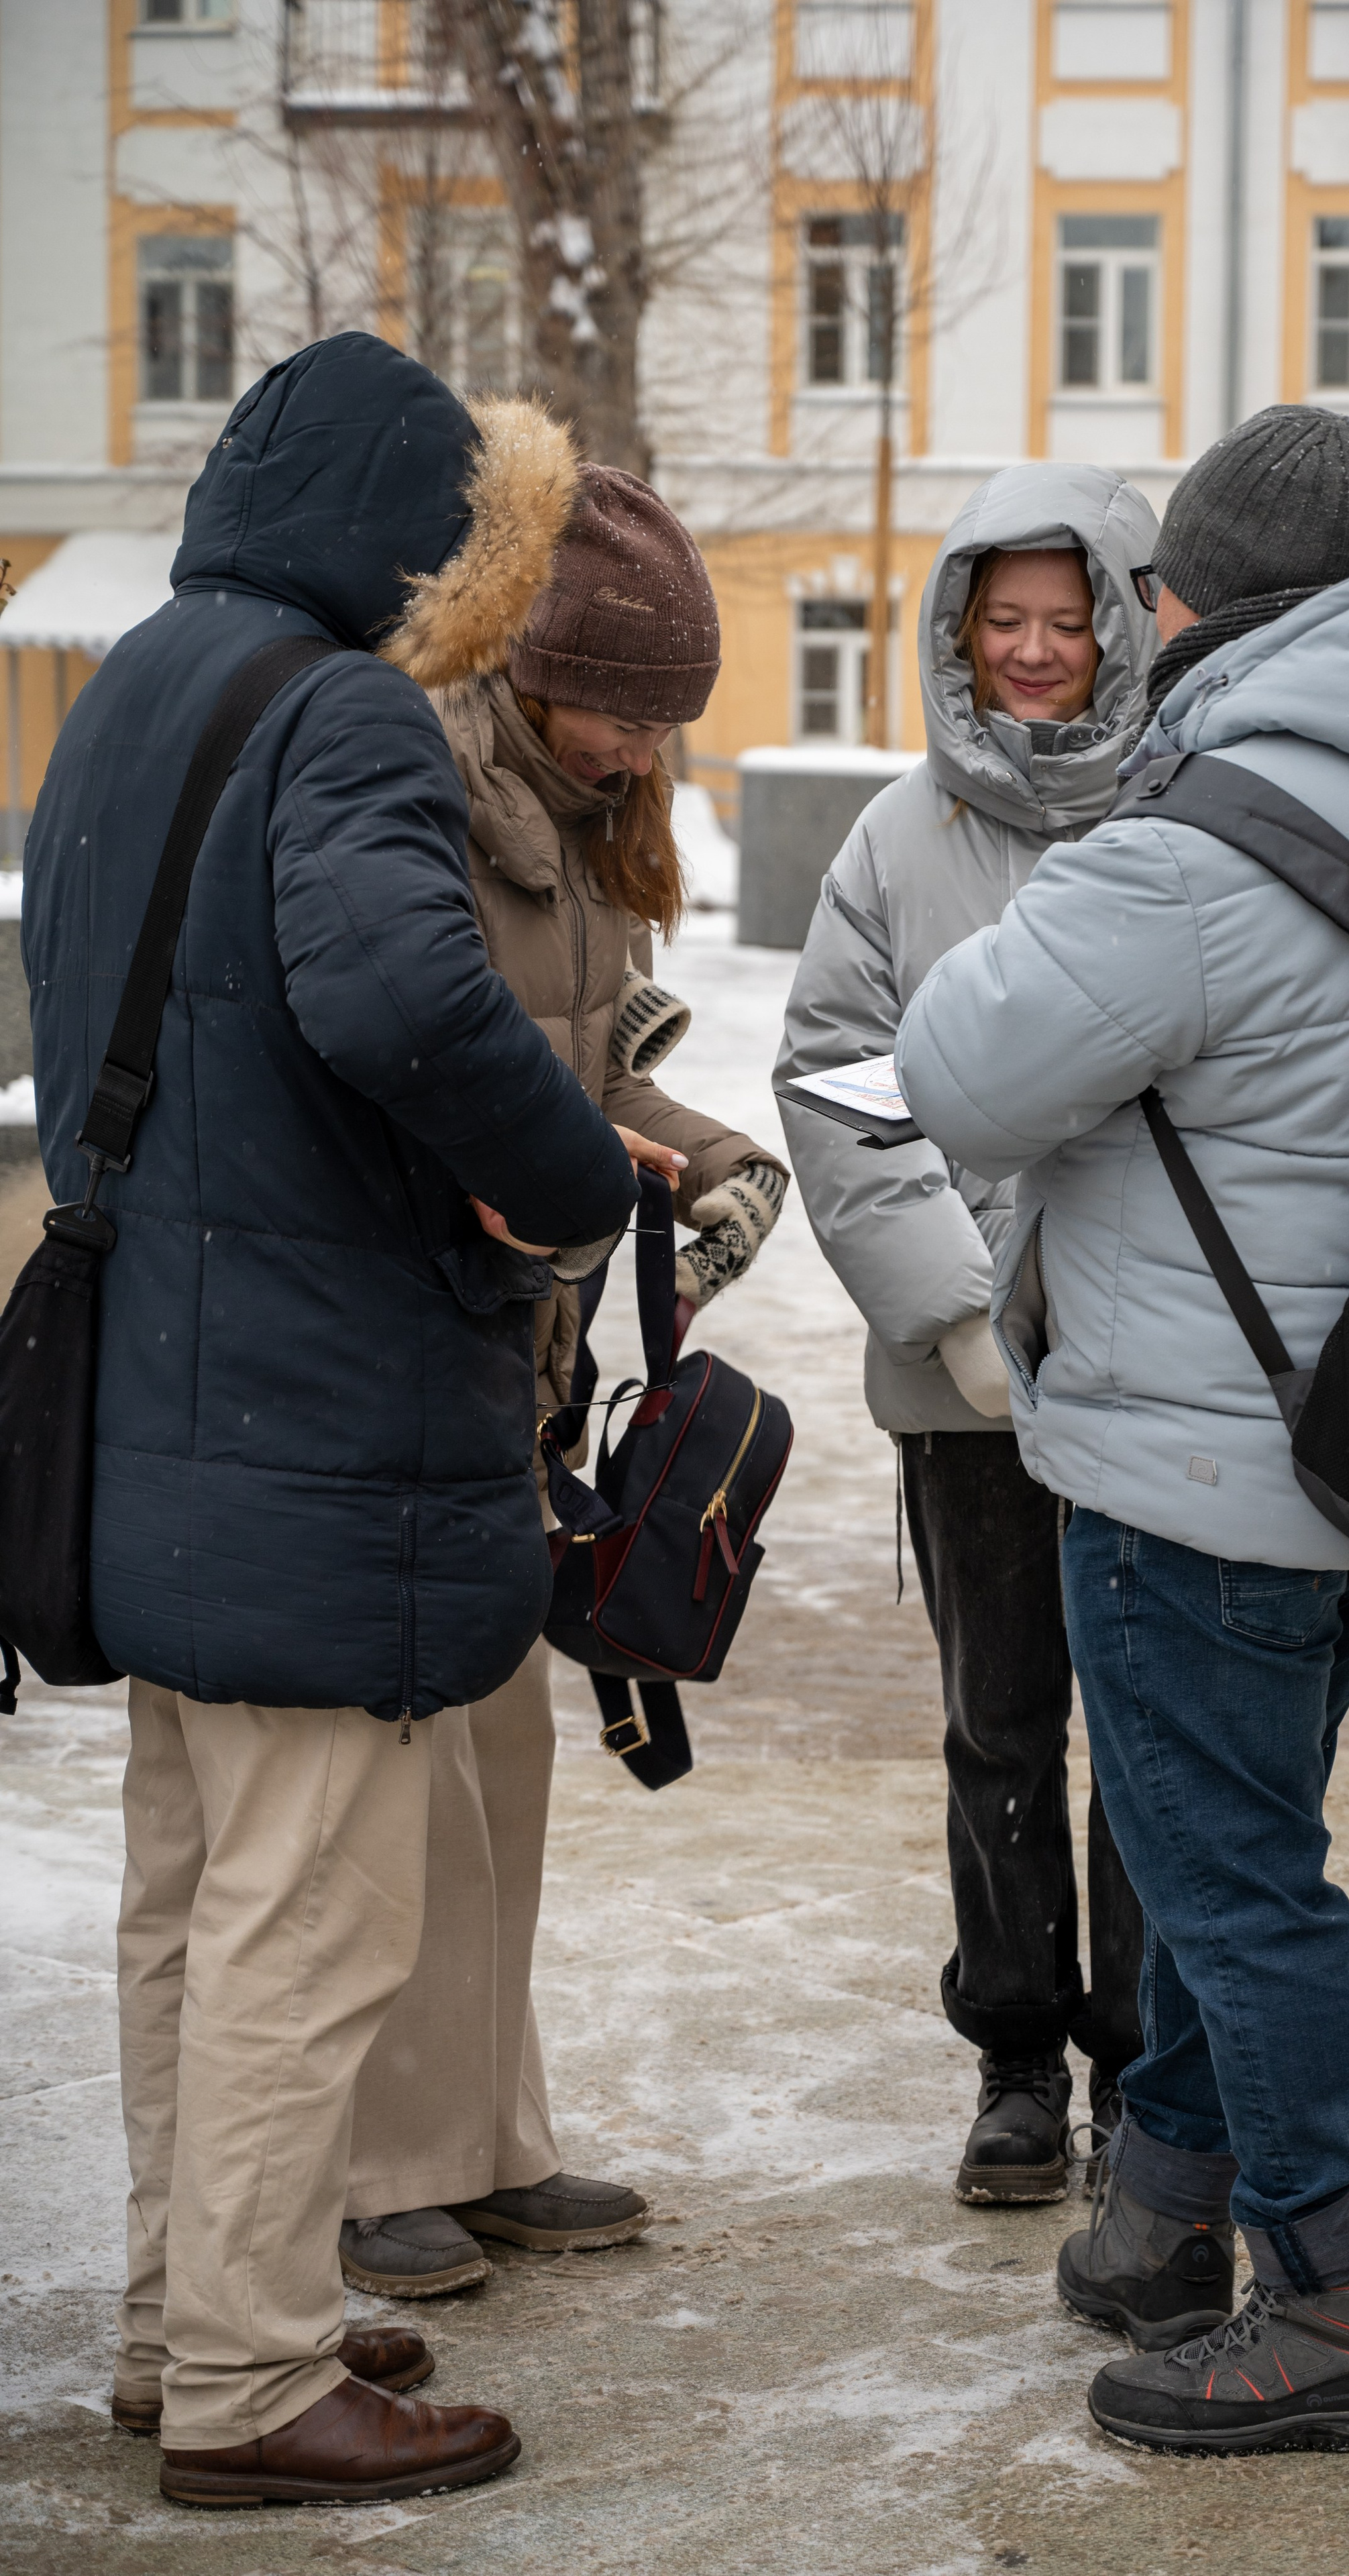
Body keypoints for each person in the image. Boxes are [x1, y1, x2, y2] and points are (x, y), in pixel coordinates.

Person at [894, 407, 1349, 2451]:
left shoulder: (1191, 845)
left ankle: (1336, 2300)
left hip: (1193, 1462)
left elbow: (957, 1077)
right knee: (1239, 1846)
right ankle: (1164, 2213)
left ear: (1208, 600)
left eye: (1157, 586)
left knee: (1233, 1887)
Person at [25, 332, 639, 2507]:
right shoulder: (349, 712)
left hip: (160, 1416)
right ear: (431, 541)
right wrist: (570, 1178)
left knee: (194, 1902)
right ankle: (261, 2387)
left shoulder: (132, 692)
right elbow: (397, 995)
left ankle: (182, 2321)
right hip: (315, 1414)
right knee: (306, 1919)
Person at [340, 468, 788, 2296]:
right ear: (536, 672)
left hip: (521, 1371)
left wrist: (706, 1153)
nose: (645, 749)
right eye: (626, 709)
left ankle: (483, 2137)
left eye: (673, 717)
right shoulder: (421, 797)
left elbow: (580, 1069)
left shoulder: (586, 811)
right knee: (398, 1803)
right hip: (401, 1367)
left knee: (502, 1773)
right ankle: (376, 2169)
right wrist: (606, 1156)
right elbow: (444, 1073)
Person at [777, 465, 1153, 2205]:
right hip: (967, 1392)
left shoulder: (1187, 807)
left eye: (1063, 622)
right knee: (1001, 1722)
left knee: (1150, 1726)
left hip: (1156, 1373)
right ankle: (1014, 2057)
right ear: (953, 631)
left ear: (1123, 626)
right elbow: (840, 1089)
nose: (1030, 652)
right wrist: (951, 1317)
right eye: (999, 621)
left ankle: (1146, 2069)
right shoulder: (895, 844)